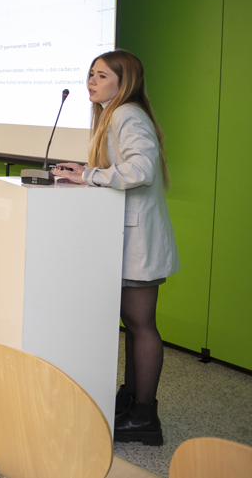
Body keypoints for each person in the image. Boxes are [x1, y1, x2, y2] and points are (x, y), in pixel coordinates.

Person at [51, 49, 180, 446]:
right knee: (134, 325)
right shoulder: (113, 115)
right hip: (126, 237)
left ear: (125, 83)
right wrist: (85, 173)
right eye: (91, 73)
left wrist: (90, 175)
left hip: (139, 241)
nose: (91, 81)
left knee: (141, 326)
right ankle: (130, 400)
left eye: (102, 75)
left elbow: (142, 169)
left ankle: (144, 417)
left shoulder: (127, 115)